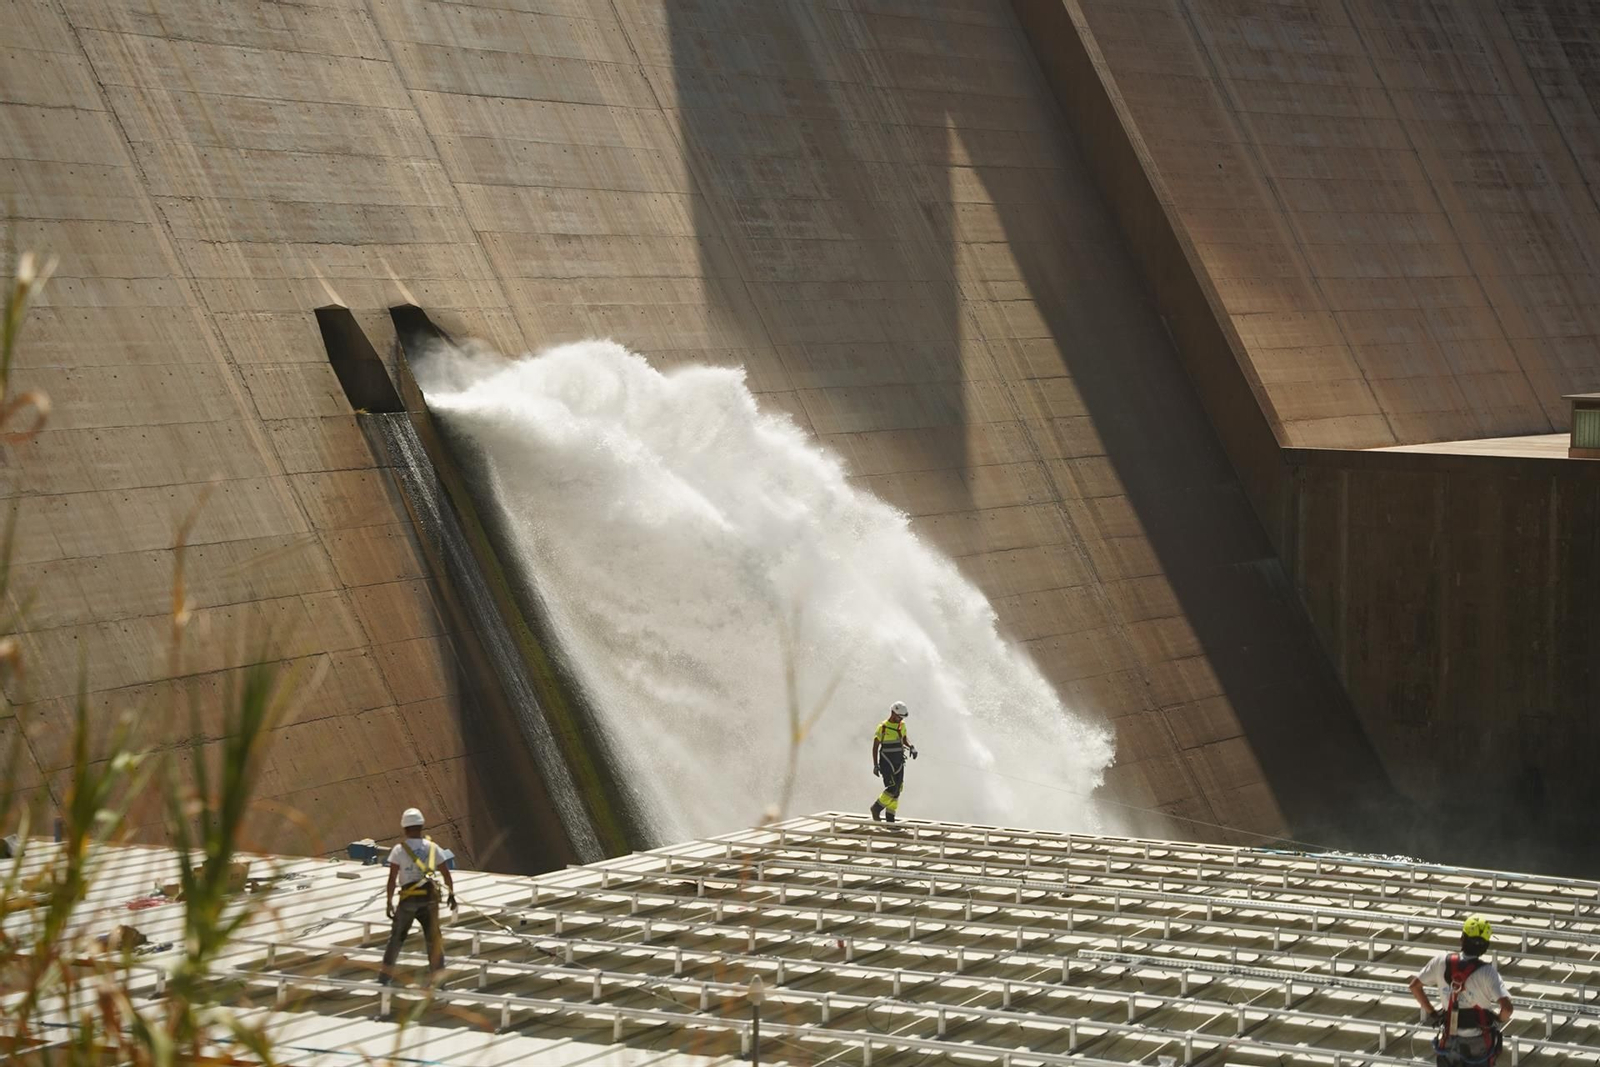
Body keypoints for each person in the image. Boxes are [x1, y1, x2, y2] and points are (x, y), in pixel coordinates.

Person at [1409, 914, 1513, 1066]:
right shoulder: (1488, 972)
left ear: (1462, 938)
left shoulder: (1440, 961)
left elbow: (1414, 986)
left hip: (1449, 1040)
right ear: (1485, 946)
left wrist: (1433, 1013)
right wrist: (1497, 1019)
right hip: (1479, 1043)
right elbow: (1507, 1009)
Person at [379, 807, 457, 986]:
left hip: (408, 900)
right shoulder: (433, 848)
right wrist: (452, 895)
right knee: (433, 941)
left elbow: (392, 879)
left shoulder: (399, 850)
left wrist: (389, 901)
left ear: (405, 829)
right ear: (421, 826)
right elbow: (446, 875)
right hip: (429, 900)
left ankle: (384, 979)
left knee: (396, 939)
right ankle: (439, 981)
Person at [869, 701, 918, 823]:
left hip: (899, 762)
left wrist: (911, 747)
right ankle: (876, 808)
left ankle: (890, 818)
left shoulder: (902, 725)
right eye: (899, 717)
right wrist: (875, 765)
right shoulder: (882, 727)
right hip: (886, 762)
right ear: (893, 713)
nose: (900, 719)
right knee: (891, 788)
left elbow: (904, 738)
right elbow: (875, 747)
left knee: (898, 790)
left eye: (902, 717)